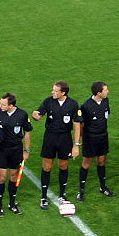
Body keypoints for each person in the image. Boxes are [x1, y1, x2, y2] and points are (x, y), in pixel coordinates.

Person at [32, 81, 81, 209]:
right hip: (50, 137)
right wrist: (35, 115)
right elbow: (39, 115)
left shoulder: (73, 104)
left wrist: (76, 145)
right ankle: (43, 197)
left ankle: (62, 194)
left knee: (63, 165)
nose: (52, 92)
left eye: (55, 91)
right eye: (53, 90)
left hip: (65, 138)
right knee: (47, 166)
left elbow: (77, 125)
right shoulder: (48, 101)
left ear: (63, 93)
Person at [77, 82, 115, 202]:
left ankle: (103, 187)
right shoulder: (86, 106)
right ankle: (81, 191)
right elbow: (80, 124)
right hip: (90, 137)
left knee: (102, 161)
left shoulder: (105, 101)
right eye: (105, 90)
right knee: (87, 163)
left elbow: (106, 114)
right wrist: (81, 138)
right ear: (98, 93)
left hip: (103, 136)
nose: (108, 92)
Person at [0, 93, 32, 216]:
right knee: (1, 178)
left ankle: (12, 203)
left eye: (3, 104)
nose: (0, 106)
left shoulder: (22, 115)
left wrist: (26, 151)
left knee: (13, 176)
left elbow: (27, 133)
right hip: (1, 149)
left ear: (11, 105)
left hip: (16, 150)